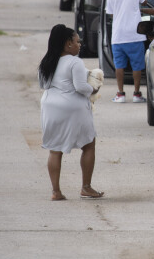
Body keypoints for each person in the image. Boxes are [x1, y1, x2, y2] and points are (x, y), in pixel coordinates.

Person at [38, 24, 104, 201]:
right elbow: (81, 87)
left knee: (54, 149)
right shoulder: (74, 61)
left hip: (50, 106)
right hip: (72, 107)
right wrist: (94, 89)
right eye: (77, 41)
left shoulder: (47, 61)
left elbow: (43, 85)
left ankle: (56, 191)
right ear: (68, 44)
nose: (80, 44)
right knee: (89, 144)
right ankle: (86, 187)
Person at [105, 0, 154, 103]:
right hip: (135, 34)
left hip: (118, 36)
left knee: (119, 66)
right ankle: (137, 94)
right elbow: (144, 1)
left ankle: (120, 94)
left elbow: (111, 14)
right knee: (137, 66)